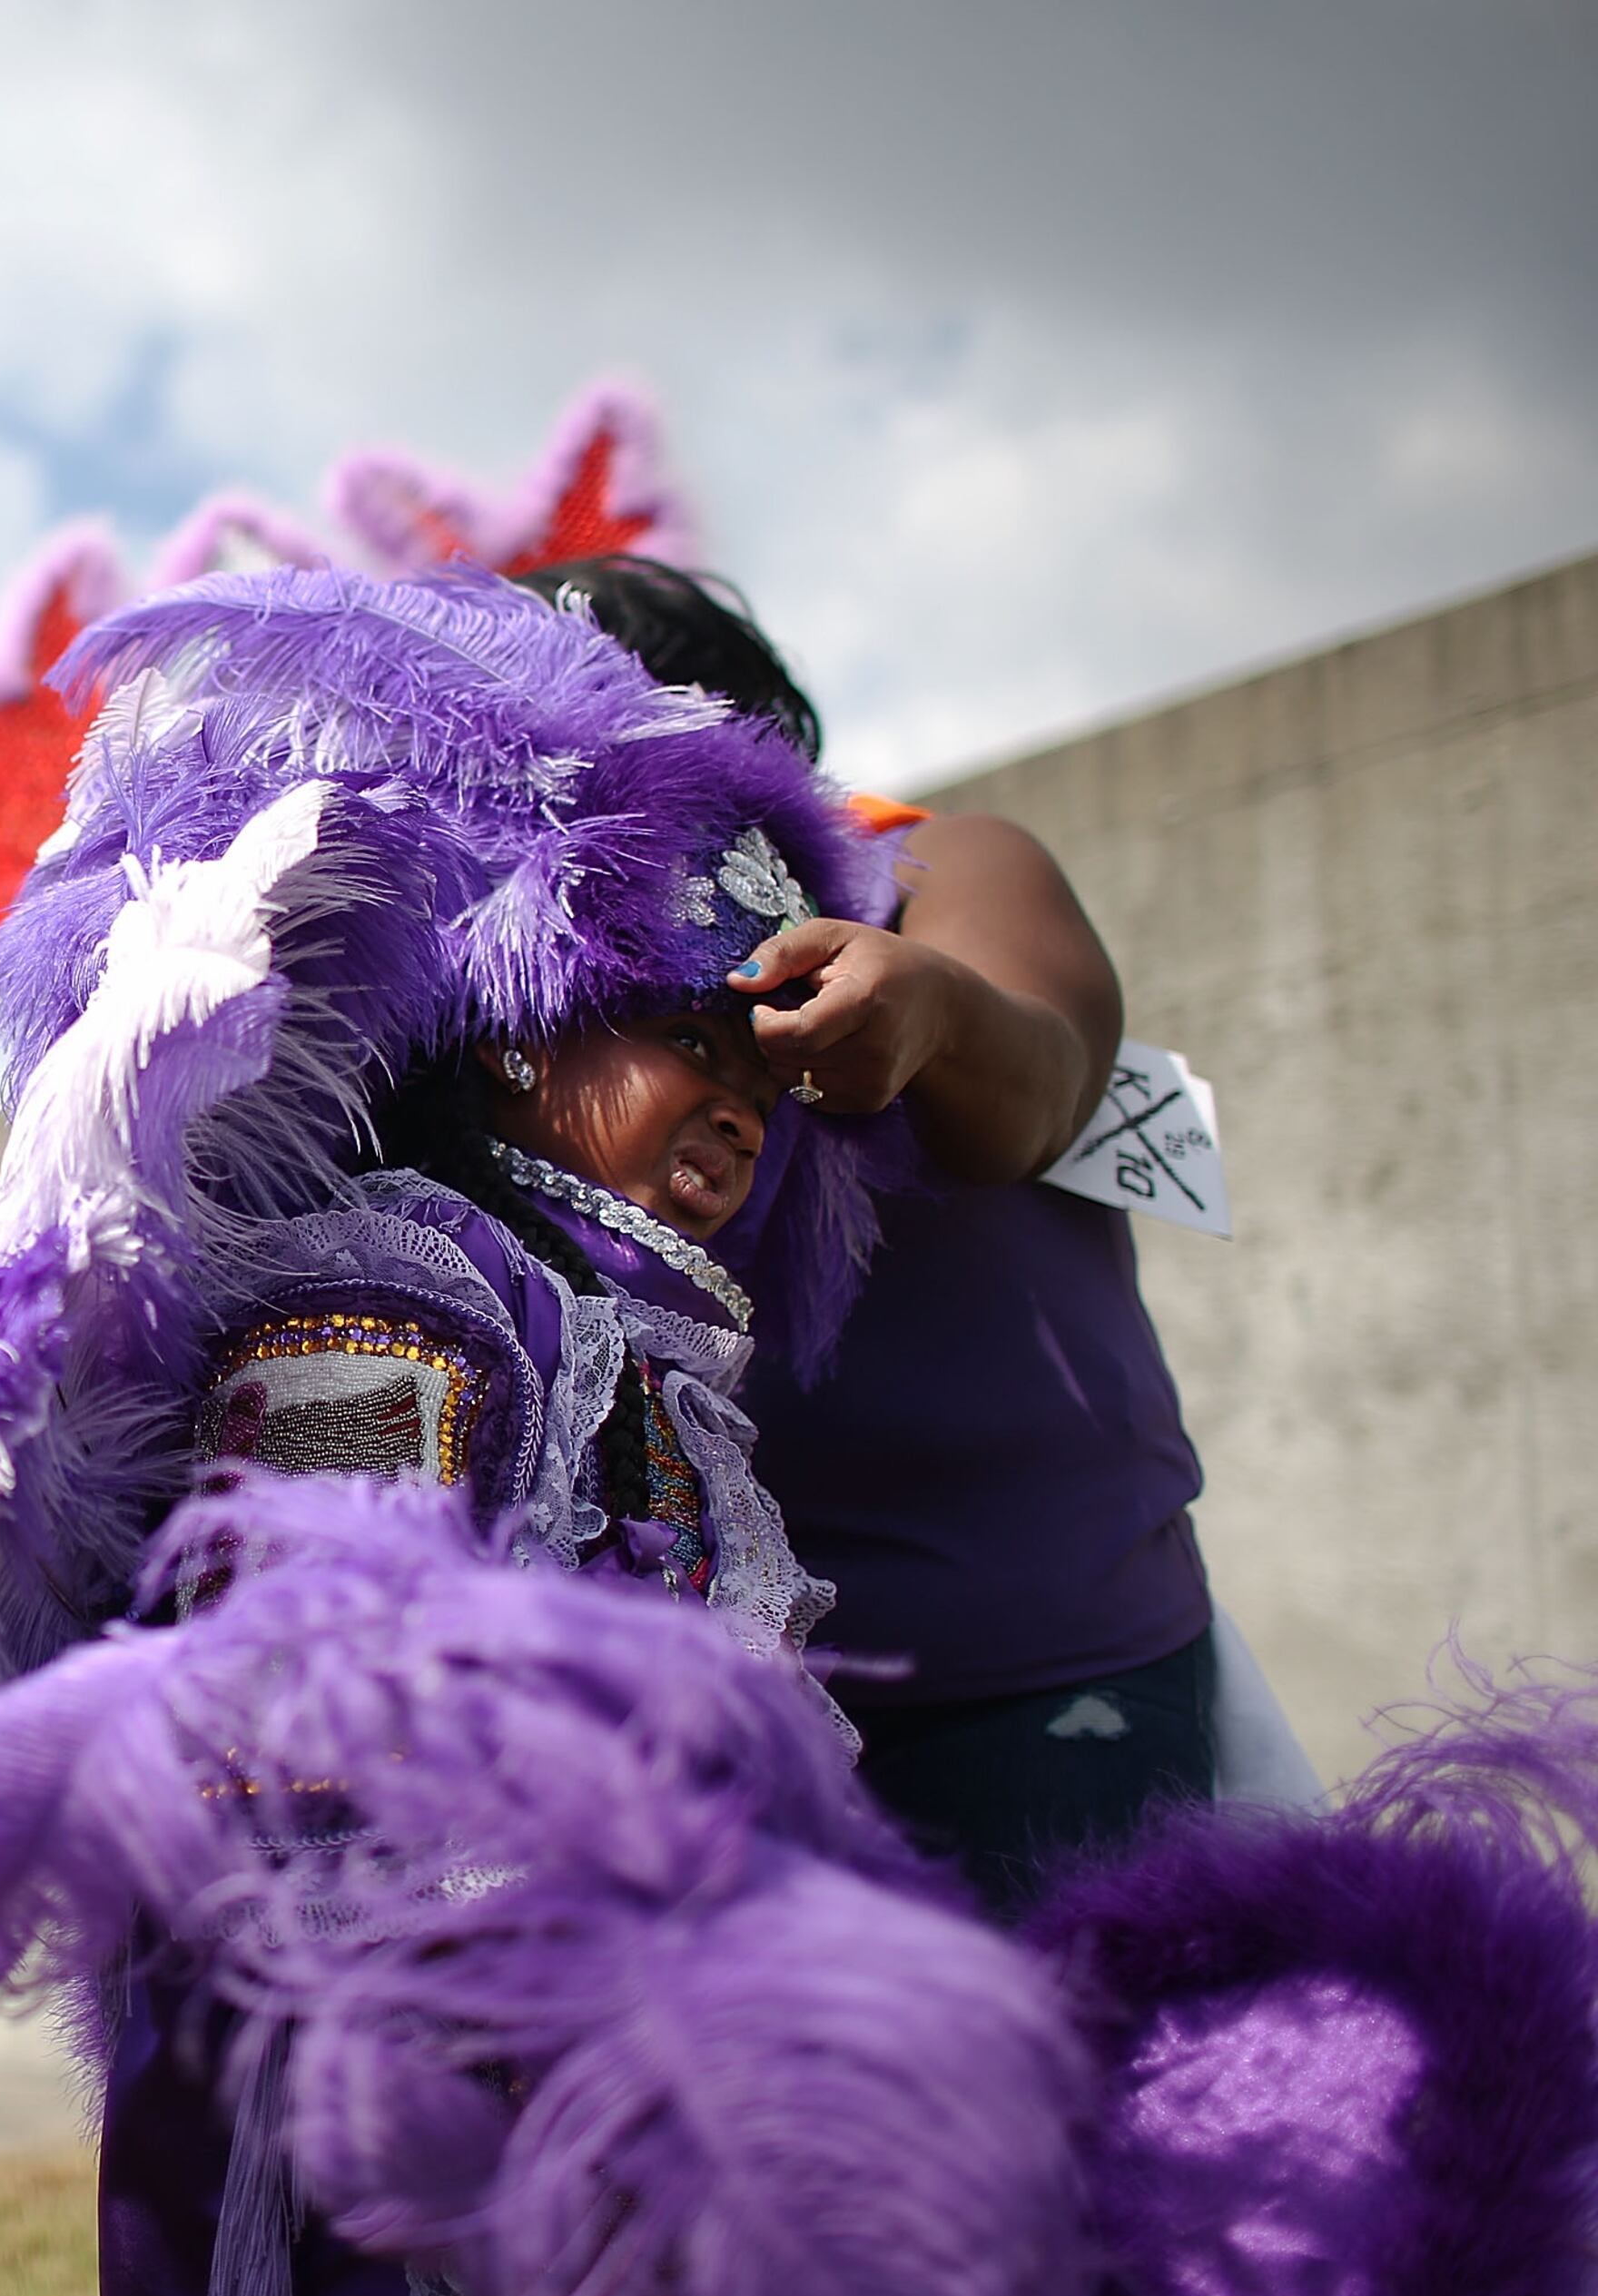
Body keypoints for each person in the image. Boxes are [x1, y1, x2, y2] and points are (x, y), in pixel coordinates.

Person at [0, 567, 954, 2296]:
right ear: (511, 1026)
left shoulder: (632, 1336)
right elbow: (296, 1710)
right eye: (674, 1029)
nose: (731, 1095)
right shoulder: (405, 1290)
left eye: (759, 1064)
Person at [518, 554, 1221, 1918]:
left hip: (1034, 1664)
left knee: (1052, 2095)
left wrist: (936, 1016)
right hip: (700, 1709)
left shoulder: (940, 869)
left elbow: (1042, 1083)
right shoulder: (505, 970)